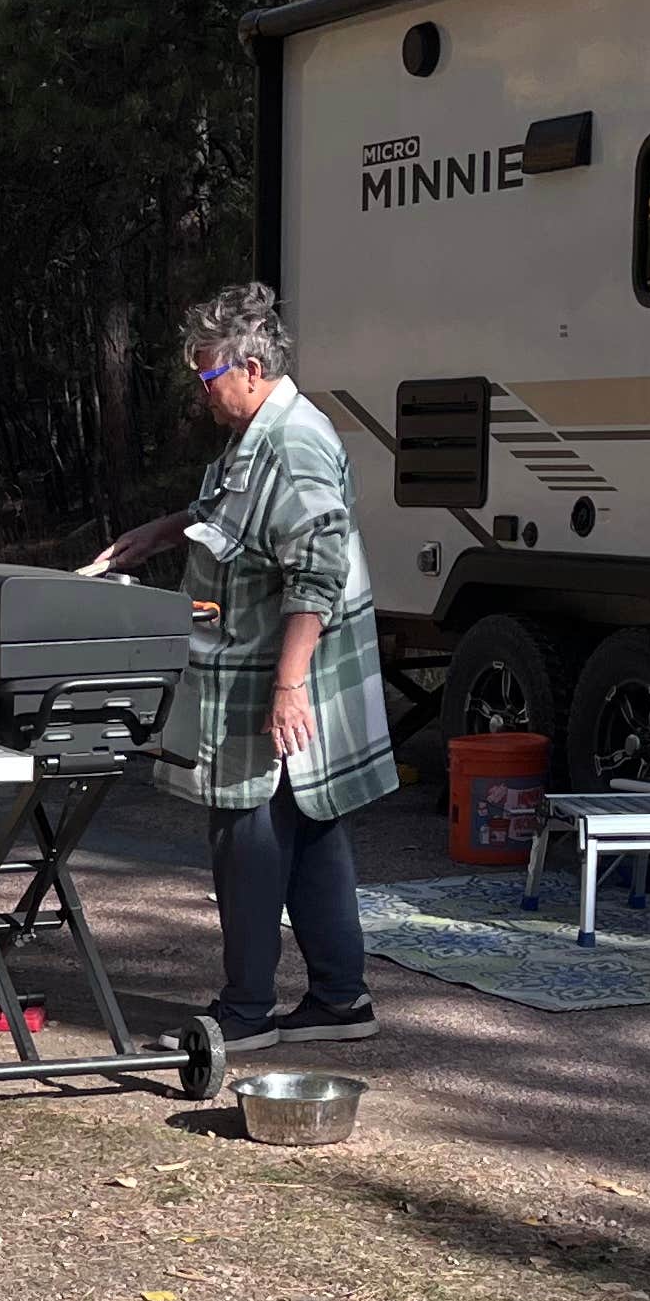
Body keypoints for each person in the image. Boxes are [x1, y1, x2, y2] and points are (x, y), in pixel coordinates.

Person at [83, 282, 393, 1052]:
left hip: (276, 673)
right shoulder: (254, 434)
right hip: (252, 668)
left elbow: (317, 573)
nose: (202, 391)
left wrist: (289, 687)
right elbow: (230, 516)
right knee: (311, 826)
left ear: (250, 367)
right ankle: (340, 999)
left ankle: (245, 1012)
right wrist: (158, 532)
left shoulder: (295, 442)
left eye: (206, 375)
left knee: (248, 830)